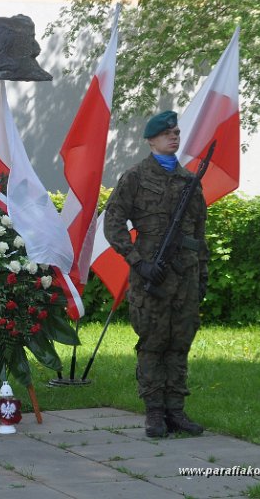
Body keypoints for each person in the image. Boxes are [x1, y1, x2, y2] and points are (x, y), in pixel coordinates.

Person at [104, 110, 208, 438]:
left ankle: (176, 411)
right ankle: (154, 413)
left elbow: (199, 231)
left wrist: (201, 274)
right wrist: (138, 261)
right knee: (152, 341)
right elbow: (113, 223)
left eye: (176, 132)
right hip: (152, 276)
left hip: (185, 277)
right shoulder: (135, 177)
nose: (173, 137)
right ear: (151, 140)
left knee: (180, 342)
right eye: (167, 134)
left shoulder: (190, 181)